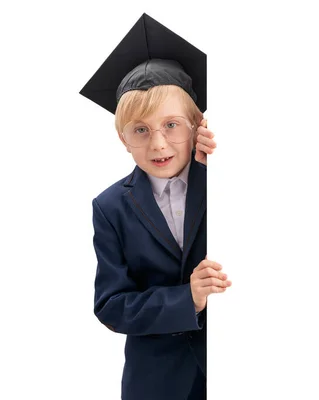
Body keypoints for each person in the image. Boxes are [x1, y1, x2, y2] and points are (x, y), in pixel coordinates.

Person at [80, 13, 229, 400]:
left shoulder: (225, 179)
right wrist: (187, 299)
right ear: (123, 139)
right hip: (157, 380)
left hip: (233, 364)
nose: (159, 144)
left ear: (198, 124)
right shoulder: (110, 206)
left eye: (172, 125)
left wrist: (226, 172)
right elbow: (111, 305)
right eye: (141, 130)